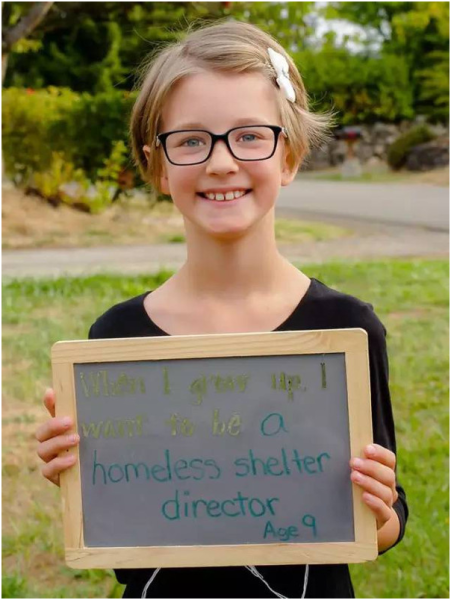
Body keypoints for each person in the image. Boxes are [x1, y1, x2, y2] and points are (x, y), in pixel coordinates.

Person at [35, 20, 408, 599]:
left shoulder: (346, 330)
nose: (221, 162)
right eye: (190, 141)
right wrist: (86, 486)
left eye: (250, 136)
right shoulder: (117, 339)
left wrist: (377, 509)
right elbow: (127, 553)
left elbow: (387, 523)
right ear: (158, 165)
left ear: (289, 155)